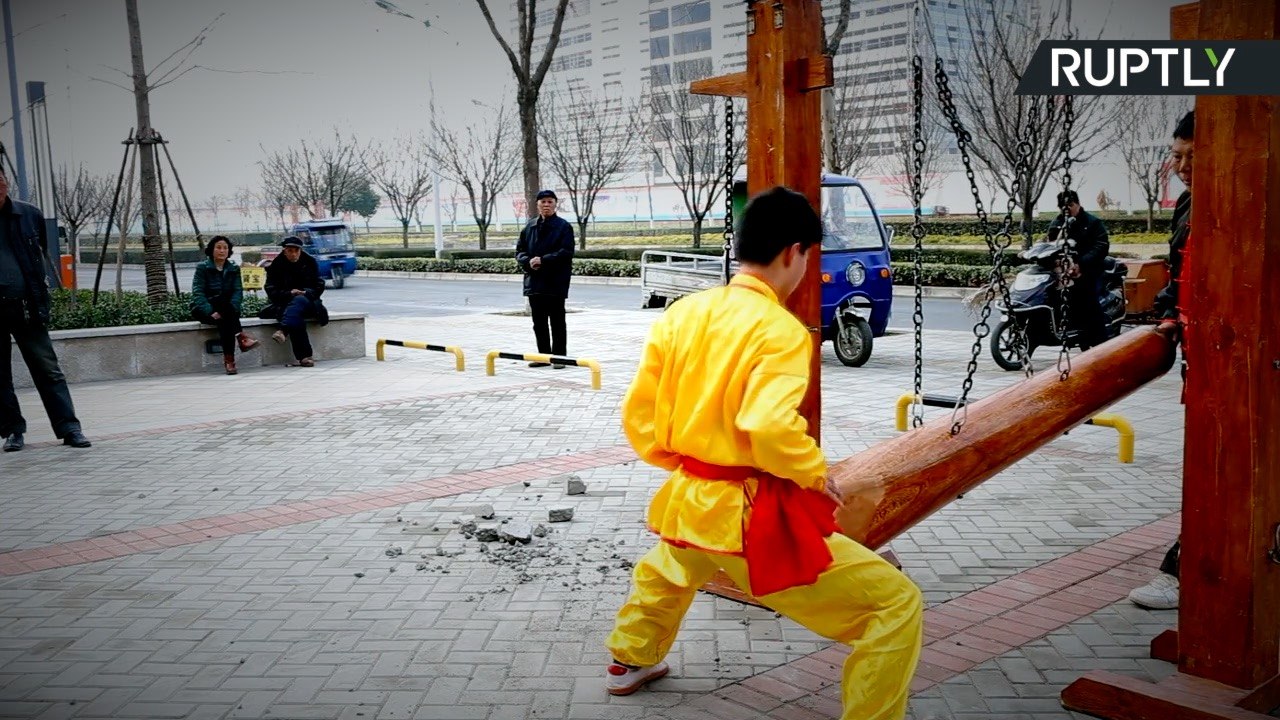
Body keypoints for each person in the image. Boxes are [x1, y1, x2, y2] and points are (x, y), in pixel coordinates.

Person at [604, 187, 922, 719]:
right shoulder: (781, 330)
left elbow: (639, 416)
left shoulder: (683, 314)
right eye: (808, 257)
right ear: (793, 252)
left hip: (687, 497)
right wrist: (814, 473)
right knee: (896, 603)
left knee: (672, 566)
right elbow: (767, 425)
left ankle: (630, 658)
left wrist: (692, 465)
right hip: (745, 512)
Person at [1129, 110, 1194, 611]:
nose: (1183, 165)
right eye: (1177, 155)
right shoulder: (1189, 205)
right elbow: (1181, 270)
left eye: (1194, 155)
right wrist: (1171, 312)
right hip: (1202, 353)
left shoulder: (1251, 196)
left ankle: (1183, 570)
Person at [0, 169, 91, 452]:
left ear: (5, 182)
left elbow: (40, 255)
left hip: (26, 306)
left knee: (48, 369)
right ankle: (13, 431)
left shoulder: (29, 214)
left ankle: (69, 428)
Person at [515, 189, 574, 368]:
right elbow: (519, 251)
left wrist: (543, 260)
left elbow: (566, 252)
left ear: (555, 204)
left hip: (555, 281)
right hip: (534, 281)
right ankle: (543, 356)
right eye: (543, 202)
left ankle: (559, 358)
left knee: (557, 321)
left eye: (550, 202)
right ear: (537, 205)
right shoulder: (529, 227)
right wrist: (528, 261)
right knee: (538, 322)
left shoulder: (563, 226)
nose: (546, 205)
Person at [1047, 189, 1111, 350]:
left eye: (1070, 205)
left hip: (1089, 269)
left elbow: (1101, 246)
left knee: (1088, 300)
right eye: (1062, 206)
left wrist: (1081, 263)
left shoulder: (1092, 223)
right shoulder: (1057, 224)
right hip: (1064, 271)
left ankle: (1099, 343)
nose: (1067, 209)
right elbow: (1050, 244)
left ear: (1078, 204)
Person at [191, 236, 259, 375]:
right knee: (222, 304)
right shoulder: (202, 268)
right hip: (205, 310)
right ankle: (240, 340)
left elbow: (237, 292)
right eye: (219, 247)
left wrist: (230, 309)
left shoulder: (233, 268)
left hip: (226, 311)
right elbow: (198, 293)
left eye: (225, 248)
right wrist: (210, 311)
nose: (222, 251)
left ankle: (230, 361)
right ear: (211, 250)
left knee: (224, 318)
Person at [263, 236, 327, 368]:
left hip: (310, 303)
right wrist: (289, 293)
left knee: (299, 301)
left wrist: (305, 293)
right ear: (284, 251)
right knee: (295, 314)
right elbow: (271, 290)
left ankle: (283, 330)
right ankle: (305, 357)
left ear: (300, 251)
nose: (293, 254)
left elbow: (319, 285)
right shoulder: (276, 265)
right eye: (290, 251)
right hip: (286, 303)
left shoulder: (310, 262)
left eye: (296, 251)